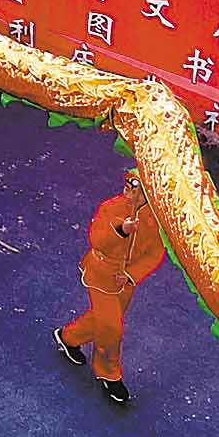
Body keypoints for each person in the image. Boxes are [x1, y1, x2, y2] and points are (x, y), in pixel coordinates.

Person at [54, 169, 166, 404]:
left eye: (134, 184)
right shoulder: (111, 207)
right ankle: (109, 374)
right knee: (112, 328)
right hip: (100, 276)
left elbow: (155, 254)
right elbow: (97, 241)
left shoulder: (156, 221)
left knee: (102, 320)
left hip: (124, 282)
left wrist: (130, 275)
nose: (127, 186)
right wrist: (121, 230)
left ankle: (68, 337)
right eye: (128, 181)